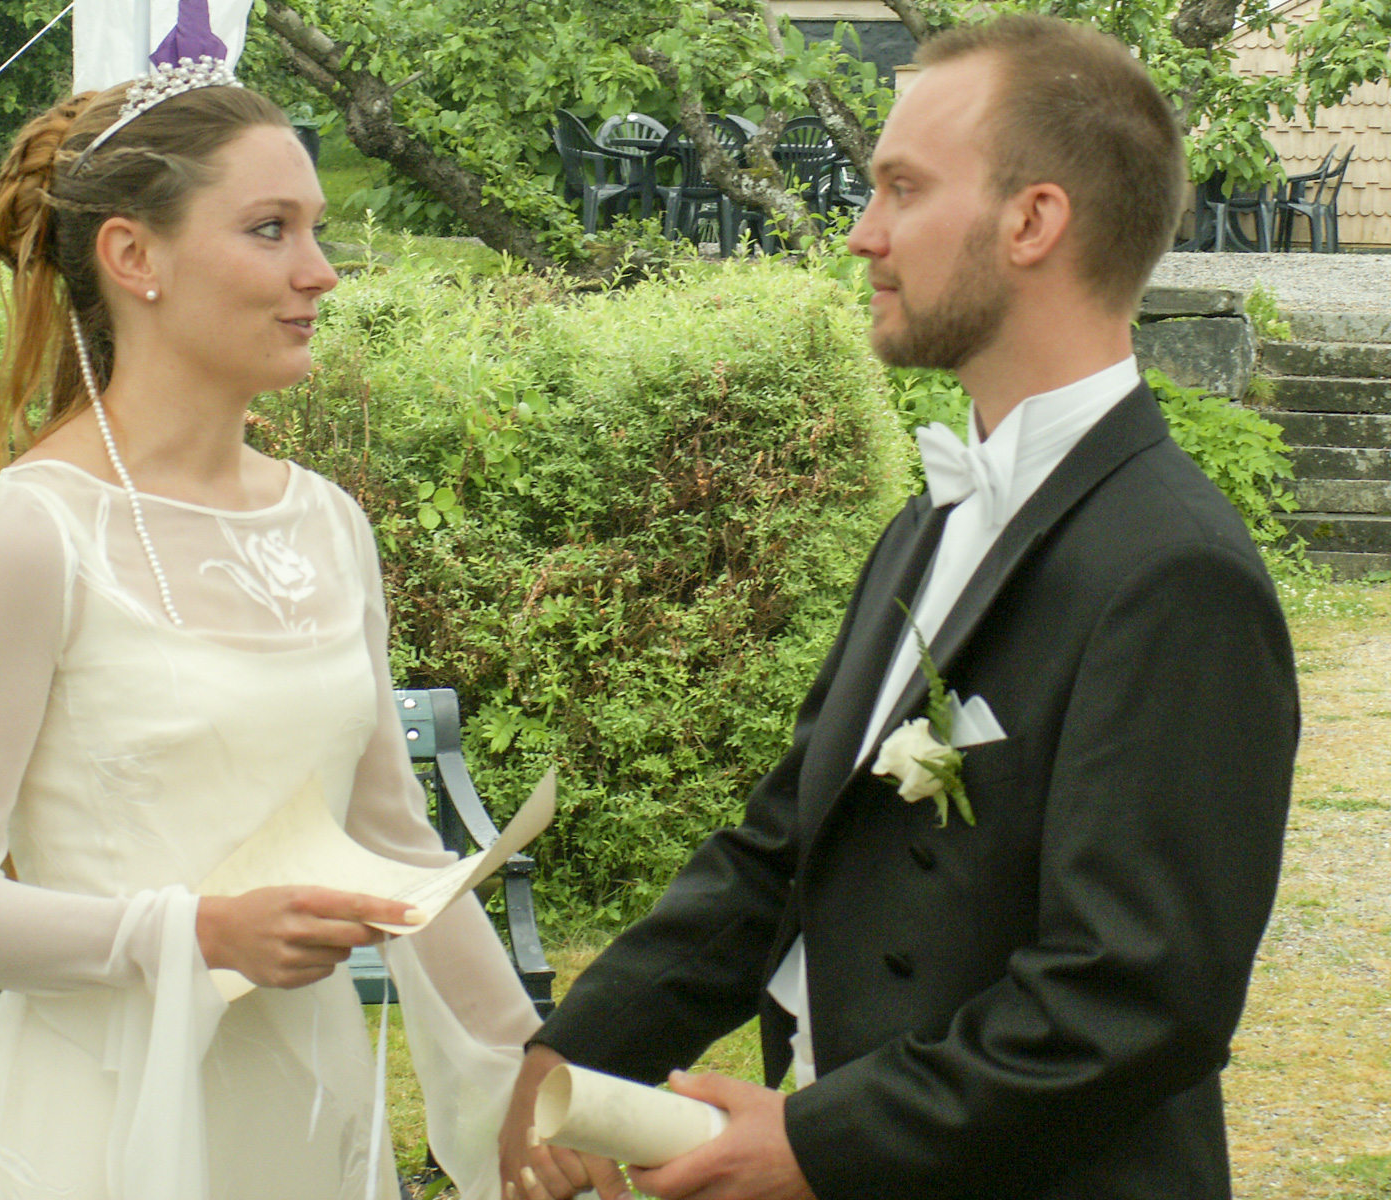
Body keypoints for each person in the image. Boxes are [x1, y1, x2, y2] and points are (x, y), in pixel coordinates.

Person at [499, 15, 1297, 1200]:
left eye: (902, 189)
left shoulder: (1175, 571)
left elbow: (1133, 998)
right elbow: (787, 847)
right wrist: (578, 1047)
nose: (862, 232)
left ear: (1031, 221)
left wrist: (821, 1142)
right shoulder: (930, 519)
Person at [0, 61, 540, 1200]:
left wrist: (529, 1079)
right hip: (97, 1133)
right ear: (135, 257)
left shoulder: (327, 525)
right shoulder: (26, 535)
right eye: (270, 229)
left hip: (306, 1125)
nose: (320, 271)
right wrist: (199, 934)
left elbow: (399, 847)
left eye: (314, 228)